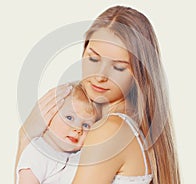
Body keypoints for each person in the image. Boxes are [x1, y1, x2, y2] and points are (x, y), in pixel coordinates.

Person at [16, 5, 181, 184]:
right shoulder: (119, 125)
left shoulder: (108, 131)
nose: (100, 76)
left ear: (139, 73)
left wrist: (25, 138)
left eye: (118, 67)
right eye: (93, 58)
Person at [16, 83, 99, 184]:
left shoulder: (78, 156)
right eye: (69, 118)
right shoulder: (38, 153)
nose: (78, 129)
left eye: (86, 125)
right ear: (50, 116)